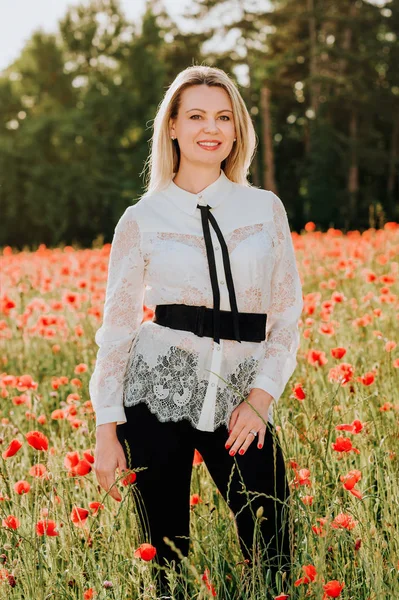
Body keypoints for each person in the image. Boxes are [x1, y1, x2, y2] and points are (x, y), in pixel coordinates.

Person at [91, 65, 303, 599]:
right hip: (156, 394)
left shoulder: (264, 208)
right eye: (196, 115)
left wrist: (261, 396)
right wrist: (106, 427)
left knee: (274, 540)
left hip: (240, 399)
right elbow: (117, 329)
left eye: (223, 116)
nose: (211, 127)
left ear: (237, 129)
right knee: (167, 559)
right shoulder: (142, 218)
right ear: (173, 128)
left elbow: (286, 316)